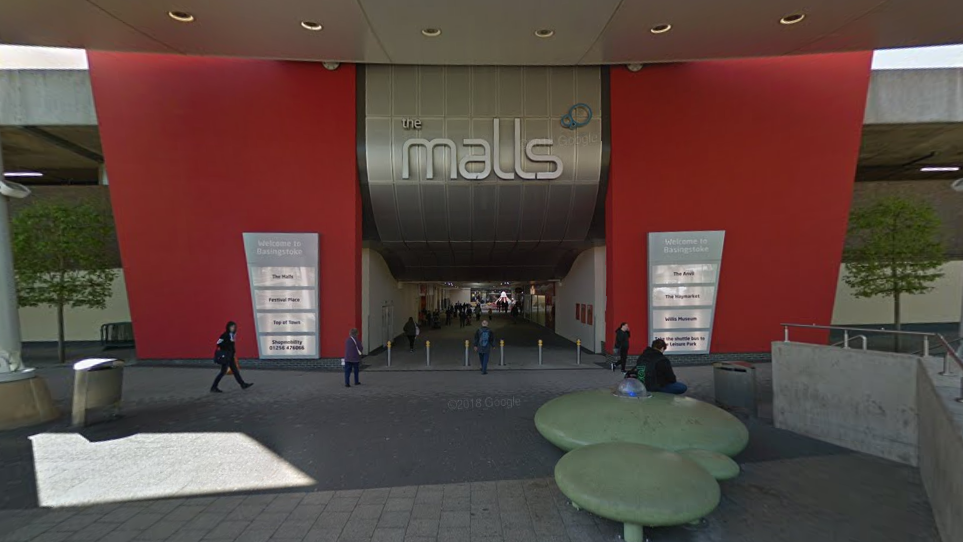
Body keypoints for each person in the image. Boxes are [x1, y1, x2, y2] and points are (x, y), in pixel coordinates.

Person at [211, 321, 253, 393]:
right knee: (223, 372)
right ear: (228, 327)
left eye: (234, 327)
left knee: (235, 371)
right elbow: (218, 343)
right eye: (231, 327)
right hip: (226, 356)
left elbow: (232, 346)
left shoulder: (232, 335)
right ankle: (214, 387)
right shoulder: (224, 335)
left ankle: (243, 384)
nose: (233, 328)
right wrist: (227, 344)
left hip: (230, 356)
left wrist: (233, 352)